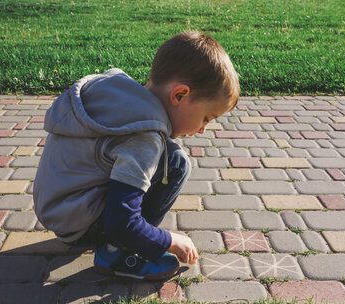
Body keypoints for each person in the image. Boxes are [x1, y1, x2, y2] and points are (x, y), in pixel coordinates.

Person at [33, 31, 240, 280]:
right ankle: (116, 253)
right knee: (175, 163)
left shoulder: (118, 96)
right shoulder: (143, 137)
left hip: (59, 209)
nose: (202, 129)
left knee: (169, 153)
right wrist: (168, 241)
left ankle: (113, 239)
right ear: (180, 95)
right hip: (79, 226)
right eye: (206, 118)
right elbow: (122, 222)